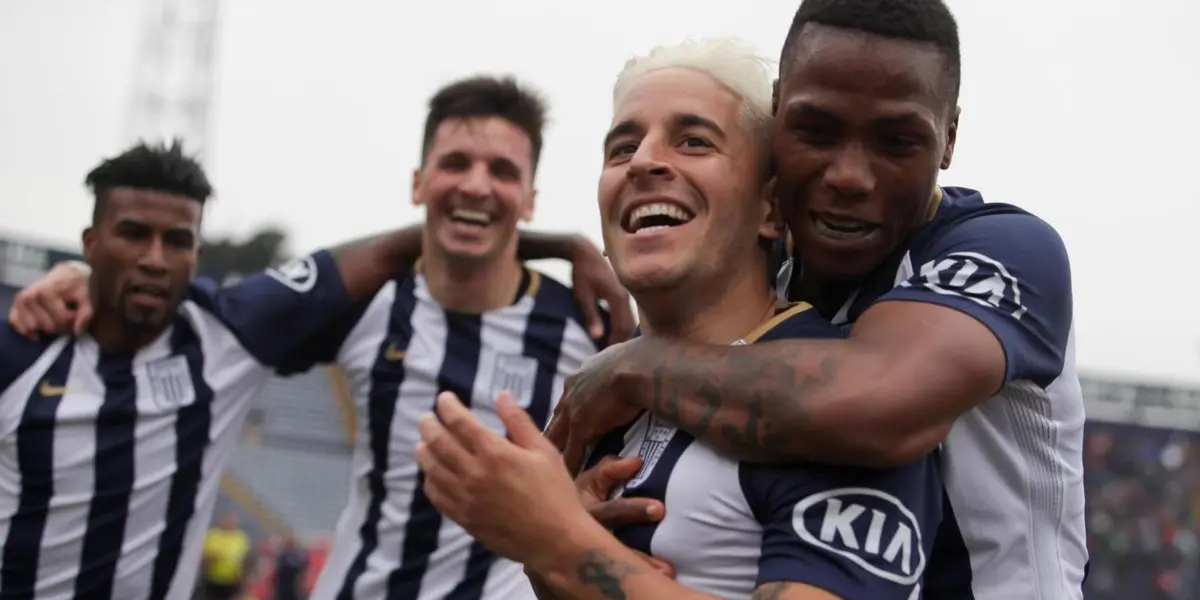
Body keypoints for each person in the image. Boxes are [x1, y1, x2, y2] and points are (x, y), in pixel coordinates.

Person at [547, 1, 1087, 599]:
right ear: (779, 114)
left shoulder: (1006, 251)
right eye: (817, 130)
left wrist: (631, 366)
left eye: (897, 140)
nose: (850, 175)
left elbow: (879, 405)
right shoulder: (766, 273)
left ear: (949, 138)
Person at [11, 77, 623, 600]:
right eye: (456, 163)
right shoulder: (365, 307)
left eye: (502, 171)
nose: (477, 184)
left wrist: (570, 246)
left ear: (530, 198)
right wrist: (84, 276)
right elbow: (206, 300)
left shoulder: (588, 326)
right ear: (419, 184)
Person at [411, 37, 943, 600]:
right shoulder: (602, 396)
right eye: (622, 148)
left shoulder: (835, 403)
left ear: (771, 209)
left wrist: (554, 542)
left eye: (694, 141)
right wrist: (553, 574)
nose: (643, 162)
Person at [202, 513, 253, 600]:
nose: (228, 524)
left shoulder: (241, 538)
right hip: (212, 578)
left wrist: (244, 578)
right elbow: (205, 555)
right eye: (226, 521)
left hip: (233, 580)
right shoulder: (213, 535)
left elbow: (246, 559)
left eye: (231, 522)